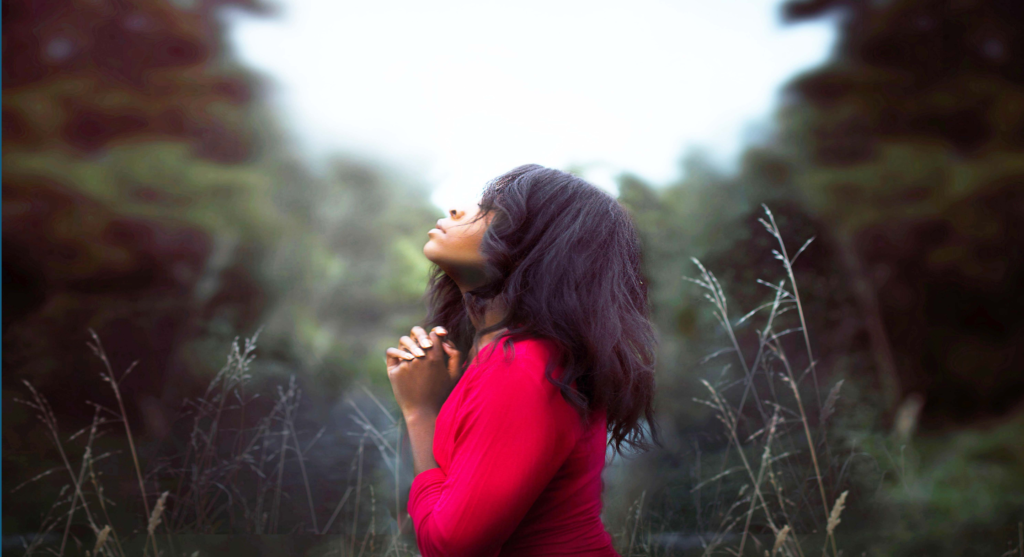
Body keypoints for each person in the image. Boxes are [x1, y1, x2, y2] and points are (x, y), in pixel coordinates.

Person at [383, 164, 661, 556]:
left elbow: (451, 546)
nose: (457, 211)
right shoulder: (515, 356)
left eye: (491, 211)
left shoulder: (526, 365)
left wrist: (420, 412)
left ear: (538, 247)